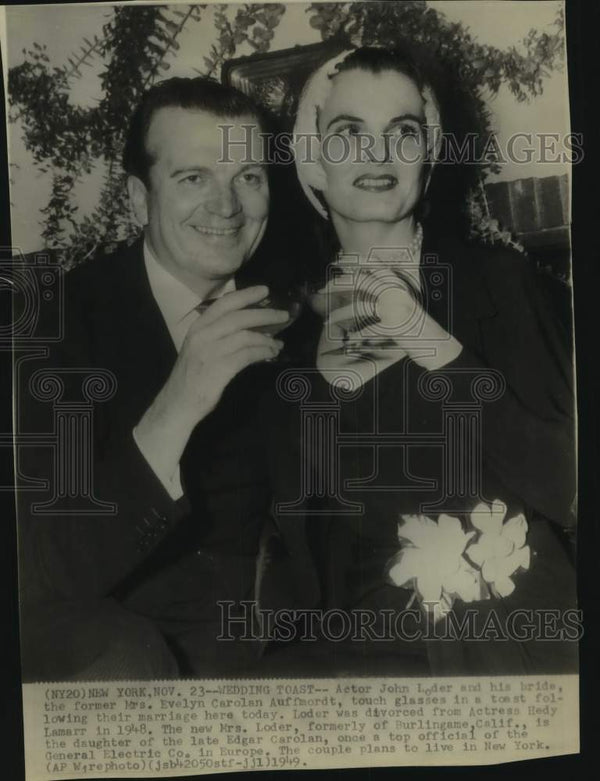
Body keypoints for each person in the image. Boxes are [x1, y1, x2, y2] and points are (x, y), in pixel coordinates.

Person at [280, 45, 577, 674]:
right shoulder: (288, 337)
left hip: (507, 635)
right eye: (347, 133)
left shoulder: (500, 286)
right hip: (358, 653)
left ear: (430, 153)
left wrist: (421, 333)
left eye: (403, 132)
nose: (377, 155)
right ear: (311, 162)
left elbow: (567, 483)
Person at [17, 76, 308, 680]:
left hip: (267, 654)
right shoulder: (50, 327)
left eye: (247, 178)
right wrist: (178, 403)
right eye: (193, 177)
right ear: (137, 199)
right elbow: (43, 576)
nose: (227, 207)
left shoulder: (295, 313)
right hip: (121, 661)